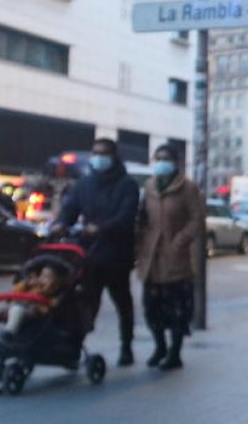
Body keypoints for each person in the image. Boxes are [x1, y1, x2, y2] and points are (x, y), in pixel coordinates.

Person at [52, 138, 140, 367]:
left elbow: (127, 216)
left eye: (103, 154)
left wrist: (103, 227)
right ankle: (73, 348)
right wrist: (62, 222)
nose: (98, 158)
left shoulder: (127, 184)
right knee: (86, 304)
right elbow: (70, 208)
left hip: (117, 255)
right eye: (95, 153)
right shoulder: (85, 183)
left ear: (113, 157)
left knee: (122, 302)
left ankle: (126, 346)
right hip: (89, 255)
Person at [135, 144, 205, 370]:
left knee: (176, 308)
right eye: (158, 158)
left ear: (176, 162)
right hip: (151, 257)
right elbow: (143, 216)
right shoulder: (149, 186)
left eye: (166, 158)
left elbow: (197, 219)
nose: (161, 162)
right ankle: (160, 347)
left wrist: (181, 239)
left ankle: (175, 352)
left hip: (176, 256)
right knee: (151, 307)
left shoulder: (188, 188)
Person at [0, 257, 68, 340]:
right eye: (41, 275)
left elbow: (52, 303)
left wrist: (46, 288)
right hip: (18, 304)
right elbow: (15, 291)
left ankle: (8, 333)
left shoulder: (53, 290)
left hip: (33, 310)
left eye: (47, 277)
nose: (42, 279)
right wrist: (25, 283)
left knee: (16, 310)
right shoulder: (30, 286)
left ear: (56, 280)